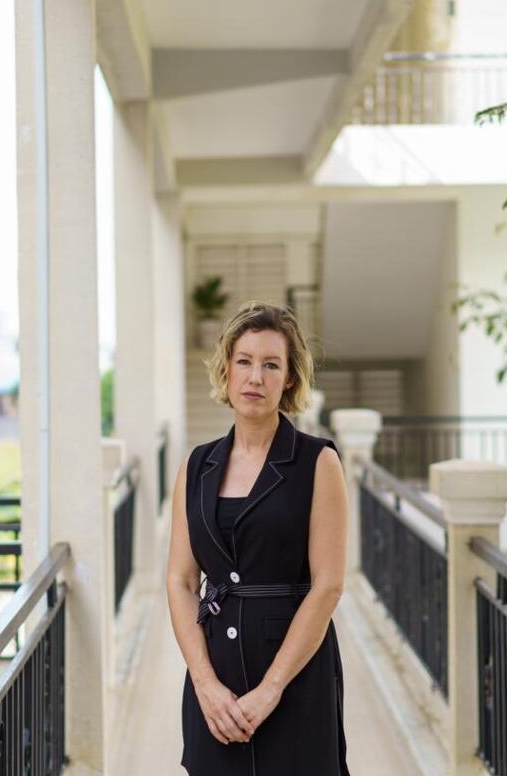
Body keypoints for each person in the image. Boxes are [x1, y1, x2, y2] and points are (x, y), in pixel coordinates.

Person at [166, 301, 351, 776]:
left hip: (295, 676)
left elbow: (328, 585)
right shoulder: (196, 466)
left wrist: (271, 689)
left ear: (289, 379)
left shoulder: (318, 463)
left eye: (271, 365)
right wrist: (205, 685)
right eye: (244, 361)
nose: (256, 377)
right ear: (226, 370)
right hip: (217, 678)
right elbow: (182, 582)